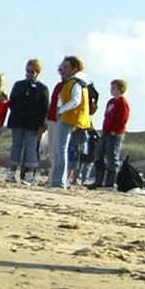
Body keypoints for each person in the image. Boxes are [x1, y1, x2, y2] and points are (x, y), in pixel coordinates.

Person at [47, 56, 91, 189]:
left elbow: (75, 100)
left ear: (75, 68)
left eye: (66, 67)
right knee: (61, 149)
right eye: (62, 67)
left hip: (69, 118)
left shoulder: (76, 82)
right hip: (69, 118)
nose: (63, 70)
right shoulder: (74, 82)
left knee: (61, 149)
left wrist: (61, 109)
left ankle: (59, 180)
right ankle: (59, 179)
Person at [5, 58, 50, 183]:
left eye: (32, 71)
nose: (29, 74)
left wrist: (43, 124)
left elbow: (45, 107)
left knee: (31, 147)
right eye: (27, 71)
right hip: (18, 121)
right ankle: (12, 172)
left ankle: (30, 174)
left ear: (37, 72)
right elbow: (12, 102)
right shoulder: (19, 85)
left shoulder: (42, 89)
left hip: (33, 124)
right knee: (16, 146)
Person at [94, 79, 131, 190]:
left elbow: (123, 119)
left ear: (120, 89)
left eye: (114, 88)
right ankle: (98, 181)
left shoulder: (122, 102)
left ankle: (109, 183)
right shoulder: (111, 102)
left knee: (111, 158)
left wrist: (115, 131)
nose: (112, 90)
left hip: (114, 134)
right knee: (99, 156)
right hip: (105, 133)